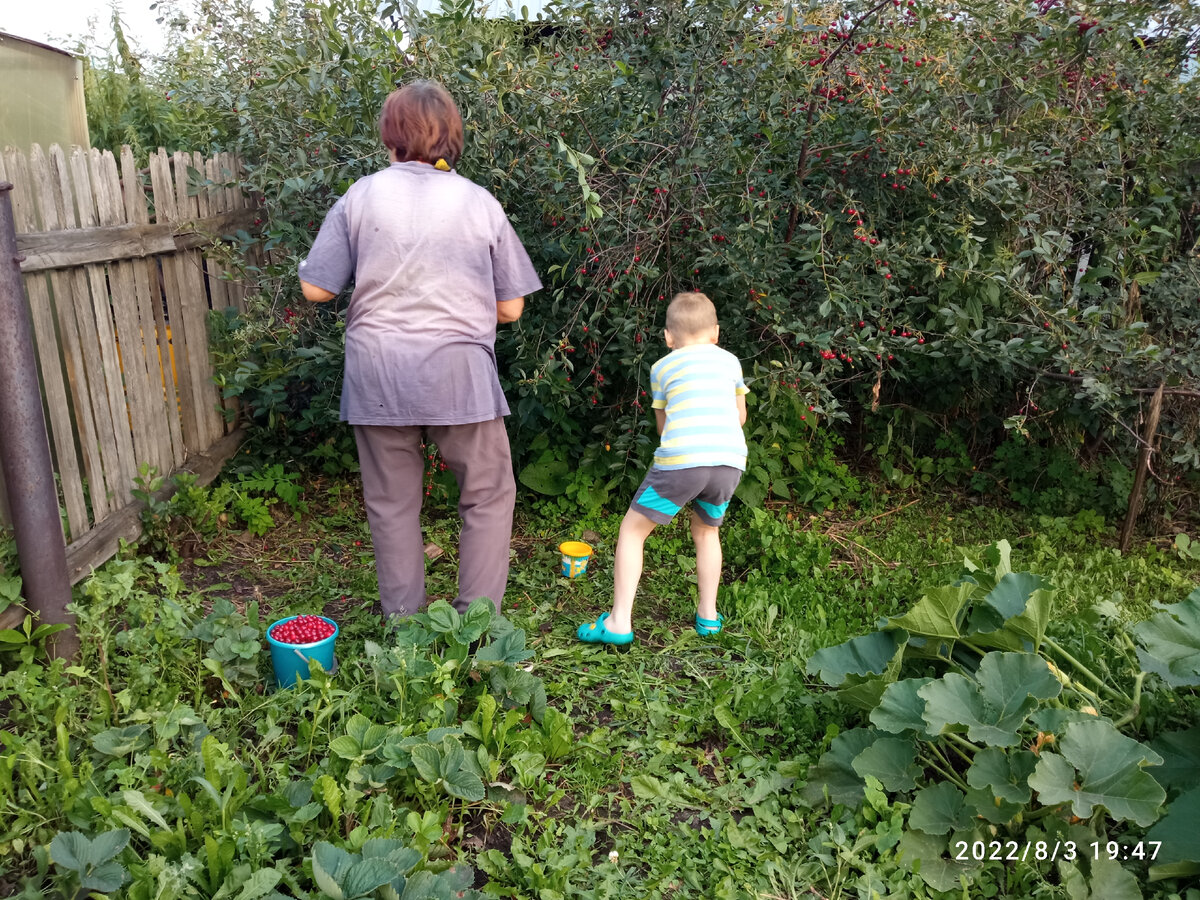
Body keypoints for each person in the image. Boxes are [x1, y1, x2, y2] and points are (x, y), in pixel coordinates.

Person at [298, 80, 542, 619]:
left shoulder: (361, 195)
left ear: (393, 135)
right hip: (460, 373)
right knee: (487, 495)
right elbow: (511, 309)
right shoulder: (480, 202)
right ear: (451, 137)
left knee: (391, 505)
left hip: (378, 370)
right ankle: (475, 629)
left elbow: (317, 289)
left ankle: (404, 629)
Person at [577, 292, 749, 645]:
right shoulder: (731, 362)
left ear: (669, 338)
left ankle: (618, 622)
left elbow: (663, 426)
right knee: (706, 533)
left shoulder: (661, 368)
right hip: (729, 462)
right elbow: (740, 416)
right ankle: (708, 617)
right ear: (715, 332)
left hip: (682, 462)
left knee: (633, 531)